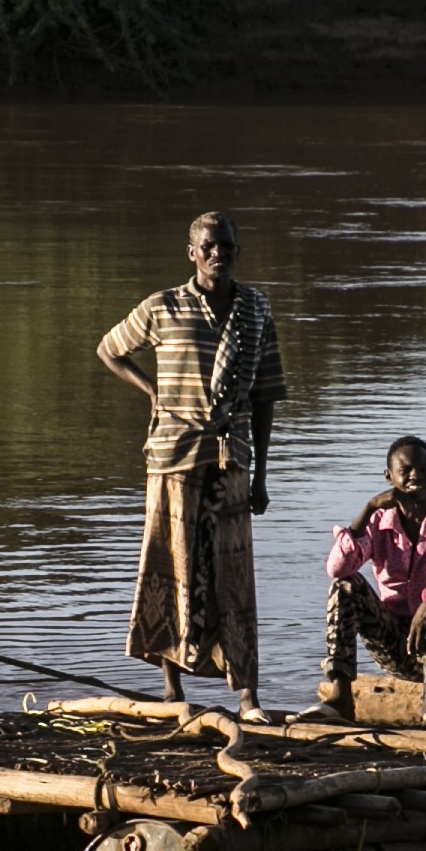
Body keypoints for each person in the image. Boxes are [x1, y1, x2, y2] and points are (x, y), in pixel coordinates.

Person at [96, 212, 287, 721]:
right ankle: (172, 691)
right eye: (209, 246)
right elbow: (109, 349)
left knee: (234, 574)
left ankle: (247, 696)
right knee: (170, 566)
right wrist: (153, 391)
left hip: (231, 463)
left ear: (236, 251)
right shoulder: (163, 307)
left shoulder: (255, 311)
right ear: (192, 253)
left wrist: (262, 474)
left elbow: (266, 396)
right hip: (172, 459)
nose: (218, 254)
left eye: (226, 246)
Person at [303, 436, 426, 727]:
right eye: (405, 470)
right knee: (345, 586)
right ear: (389, 477)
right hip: (394, 641)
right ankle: (341, 696)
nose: (415, 475)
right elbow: (337, 568)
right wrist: (367, 509)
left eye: (422, 469)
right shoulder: (379, 519)